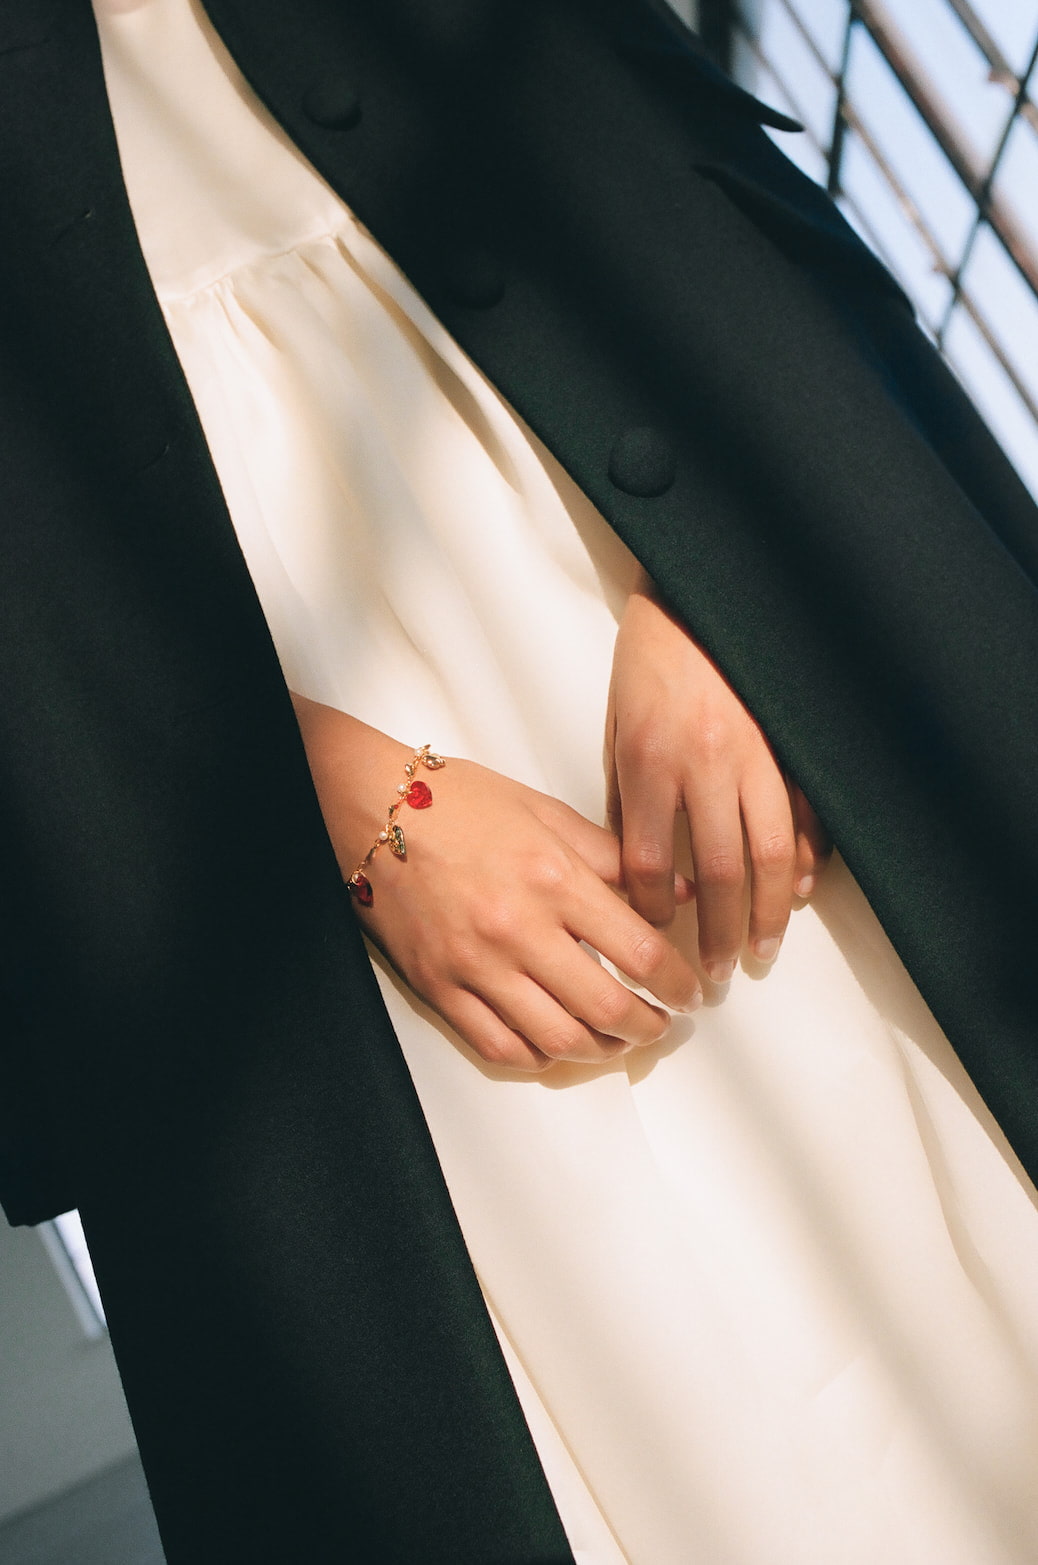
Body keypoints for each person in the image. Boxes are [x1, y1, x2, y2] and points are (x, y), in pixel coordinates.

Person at [3, 0, 1038, 1559]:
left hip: (751, 700)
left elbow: (682, 157)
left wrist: (722, 594)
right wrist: (333, 800)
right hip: (291, 931)